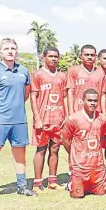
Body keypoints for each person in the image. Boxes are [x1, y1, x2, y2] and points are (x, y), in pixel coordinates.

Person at [0, 38, 36, 204]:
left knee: (20, 155)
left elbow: (25, 94)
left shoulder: (23, 71)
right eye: (7, 48)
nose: (10, 51)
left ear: (17, 51)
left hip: (19, 121)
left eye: (13, 48)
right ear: (0, 52)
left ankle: (22, 186)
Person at [30, 47, 66, 193]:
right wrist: (37, 118)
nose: (53, 59)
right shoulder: (38, 75)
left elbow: (65, 97)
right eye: (50, 56)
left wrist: (66, 116)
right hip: (43, 120)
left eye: (56, 56)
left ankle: (52, 180)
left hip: (59, 120)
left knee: (55, 150)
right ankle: (37, 183)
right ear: (43, 57)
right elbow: (33, 97)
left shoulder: (63, 76)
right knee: (41, 150)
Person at [60, 89, 106, 199]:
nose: (92, 103)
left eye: (95, 101)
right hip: (80, 167)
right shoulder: (73, 119)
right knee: (77, 196)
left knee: (101, 193)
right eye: (89, 100)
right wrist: (74, 153)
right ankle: (72, 182)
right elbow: (65, 140)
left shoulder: (102, 118)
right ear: (82, 101)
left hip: (97, 166)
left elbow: (104, 137)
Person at [66, 44, 105, 115]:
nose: (89, 57)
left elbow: (103, 94)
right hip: (78, 110)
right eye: (87, 55)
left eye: (92, 55)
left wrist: (104, 114)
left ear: (95, 57)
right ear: (81, 56)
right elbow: (70, 92)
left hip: (96, 111)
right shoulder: (73, 70)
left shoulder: (100, 72)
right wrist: (71, 111)